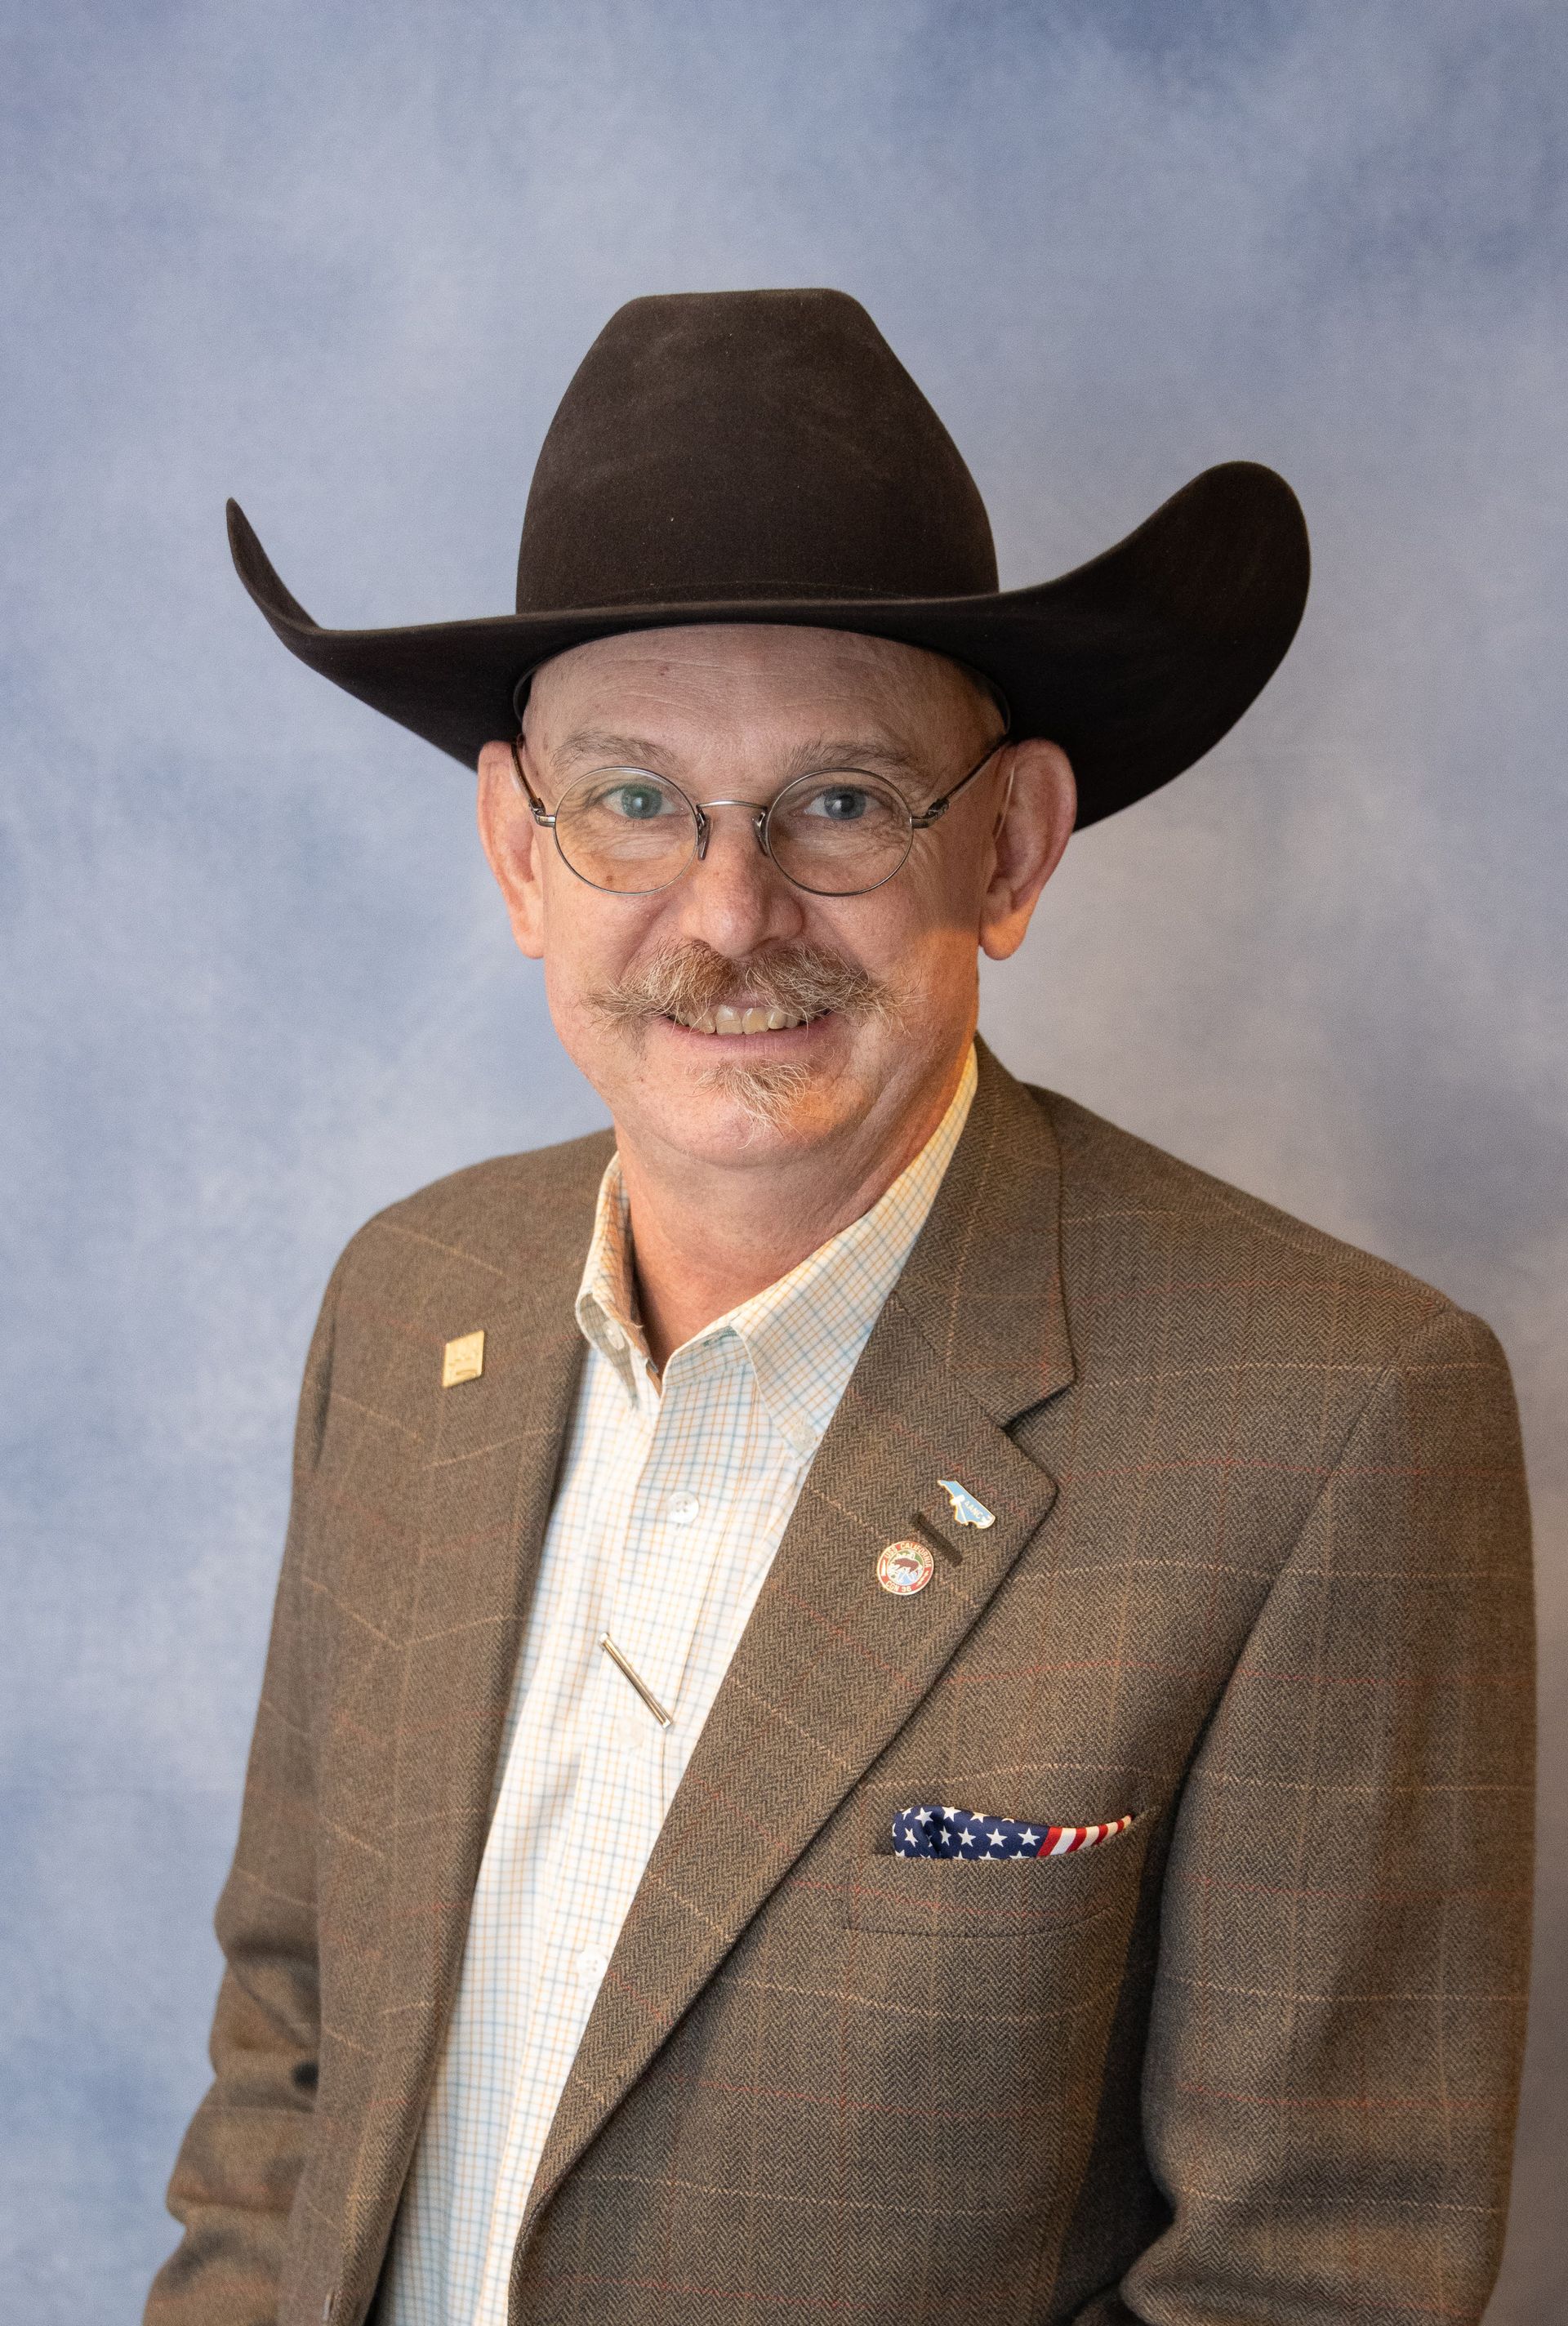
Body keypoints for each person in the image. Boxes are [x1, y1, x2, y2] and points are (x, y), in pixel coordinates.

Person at [145, 290, 1534, 2326]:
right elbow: (289, 2033)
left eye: (843, 803)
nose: (730, 911)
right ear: (517, 854)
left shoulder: (1334, 1420)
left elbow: (1318, 2277)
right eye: (632, 801)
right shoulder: (407, 1296)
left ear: (1013, 843)